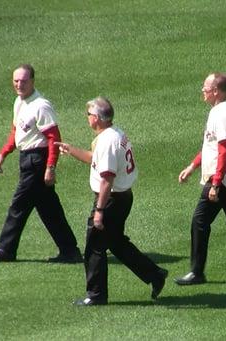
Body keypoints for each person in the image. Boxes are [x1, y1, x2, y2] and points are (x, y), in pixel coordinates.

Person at [55, 96, 168, 305]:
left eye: (88, 114)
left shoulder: (107, 141)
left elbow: (107, 179)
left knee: (94, 246)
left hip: (110, 199)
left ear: (97, 118)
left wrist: (99, 210)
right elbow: (95, 159)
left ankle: (96, 295)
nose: (87, 118)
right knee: (116, 243)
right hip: (123, 197)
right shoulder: (115, 133)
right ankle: (155, 274)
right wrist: (71, 150)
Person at [0, 64, 82, 263]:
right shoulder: (19, 102)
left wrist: (50, 167)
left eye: (24, 81)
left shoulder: (41, 105)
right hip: (27, 158)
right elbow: (16, 132)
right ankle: (70, 251)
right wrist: (3, 154)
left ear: (33, 81)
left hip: (38, 160)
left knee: (18, 205)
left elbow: (54, 138)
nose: (19, 84)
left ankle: (6, 249)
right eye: (16, 81)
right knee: (49, 208)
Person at [175, 72, 226, 285]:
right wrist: (192, 166)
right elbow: (212, 146)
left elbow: (225, 150)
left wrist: (216, 183)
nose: (202, 91)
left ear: (216, 91)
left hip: (221, 178)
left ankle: (196, 272)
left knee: (199, 221)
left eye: (205, 88)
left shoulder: (222, 115)